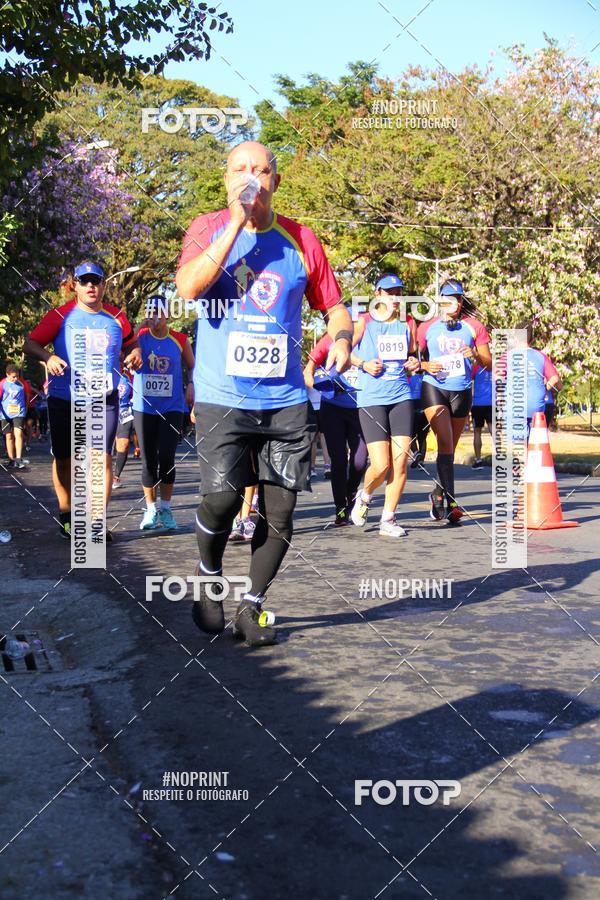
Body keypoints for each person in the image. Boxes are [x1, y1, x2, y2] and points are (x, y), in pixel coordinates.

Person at [176, 140, 352, 647]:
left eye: (259, 170)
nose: (250, 177)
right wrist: (235, 223)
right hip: (221, 394)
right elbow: (189, 288)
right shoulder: (207, 227)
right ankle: (209, 577)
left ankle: (251, 608)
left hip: (285, 400)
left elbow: (335, 308)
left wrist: (339, 338)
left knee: (280, 511)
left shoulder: (300, 239)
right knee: (222, 498)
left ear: (275, 179)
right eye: (239, 170)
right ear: (226, 179)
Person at [23, 261, 141, 539]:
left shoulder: (117, 317)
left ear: (103, 285)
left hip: (104, 399)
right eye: (85, 281)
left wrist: (134, 352)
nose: (91, 286)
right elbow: (30, 344)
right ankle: (67, 514)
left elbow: (131, 343)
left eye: (96, 281)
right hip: (66, 399)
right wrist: (48, 357)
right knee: (65, 460)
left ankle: (97, 521)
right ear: (74, 285)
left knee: (102, 460)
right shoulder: (60, 315)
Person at [349, 274, 419, 537]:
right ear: (377, 294)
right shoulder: (364, 321)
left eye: (398, 292)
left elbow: (412, 357)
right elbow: (344, 349)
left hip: (401, 396)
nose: (394, 297)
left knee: (400, 463)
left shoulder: (407, 322)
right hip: (372, 399)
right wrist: (363, 364)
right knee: (381, 465)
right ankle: (365, 496)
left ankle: (388, 520)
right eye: (388, 292)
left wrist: (413, 363)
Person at [417, 278, 491, 525]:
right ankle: (451, 504)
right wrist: (427, 364)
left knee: (447, 448)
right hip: (434, 388)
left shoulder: (474, 327)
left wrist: (476, 354)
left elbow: (488, 363)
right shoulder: (426, 327)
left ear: (461, 302)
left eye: (457, 299)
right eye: (447, 298)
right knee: (445, 441)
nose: (453, 303)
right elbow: (411, 361)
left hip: (461, 392)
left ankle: (437, 494)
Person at [132, 299, 195, 531]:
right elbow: (125, 350)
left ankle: (166, 508)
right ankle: (150, 510)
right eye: (150, 312)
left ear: (167, 313)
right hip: (143, 406)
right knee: (148, 459)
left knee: (167, 457)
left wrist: (191, 384)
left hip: (172, 407)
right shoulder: (139, 337)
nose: (154, 317)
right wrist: (140, 326)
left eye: (158, 312)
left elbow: (193, 366)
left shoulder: (179, 339)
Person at [304, 324, 367, 526]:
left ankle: (350, 495)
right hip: (332, 408)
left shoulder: (369, 337)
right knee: (338, 461)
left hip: (361, 408)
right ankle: (341, 509)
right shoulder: (331, 339)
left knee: (359, 462)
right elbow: (310, 368)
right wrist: (319, 382)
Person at [0, 363, 32, 468]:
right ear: (7, 374)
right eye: (13, 376)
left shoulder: (22, 384)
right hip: (5, 414)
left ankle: (18, 458)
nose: (15, 378)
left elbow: (27, 396)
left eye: (17, 376)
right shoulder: (2, 384)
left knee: (18, 434)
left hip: (19, 412)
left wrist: (25, 408)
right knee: (8, 436)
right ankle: (11, 459)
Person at [112, 367, 135, 489]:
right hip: (103, 411)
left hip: (124, 412)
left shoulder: (130, 373)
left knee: (124, 444)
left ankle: (116, 476)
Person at [471, 363, 493, 468]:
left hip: (478, 404)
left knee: (477, 431)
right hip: (492, 403)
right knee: (493, 429)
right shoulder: (494, 366)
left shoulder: (475, 367)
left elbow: (468, 379)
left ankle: (478, 459)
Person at [409, 371, 428, 468]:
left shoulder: (408, 377)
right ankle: (421, 461)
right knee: (422, 437)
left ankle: (416, 453)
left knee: (411, 435)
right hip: (424, 408)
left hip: (413, 407)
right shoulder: (426, 377)